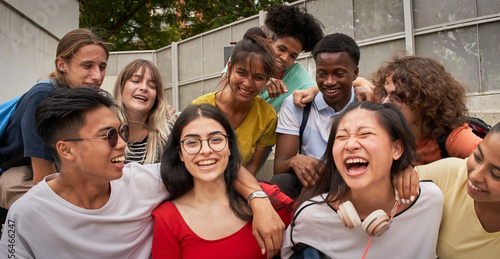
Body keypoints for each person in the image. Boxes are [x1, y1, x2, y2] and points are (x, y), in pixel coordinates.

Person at [0, 87, 286, 259]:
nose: (123, 144)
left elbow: (215, 162)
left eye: (121, 132)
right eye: (108, 136)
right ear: (67, 151)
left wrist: (258, 199)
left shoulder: (143, 182)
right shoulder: (24, 216)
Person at [282, 101, 444, 259]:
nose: (351, 144)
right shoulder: (313, 214)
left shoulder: (429, 200)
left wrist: (408, 170)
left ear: (396, 149)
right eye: (341, 137)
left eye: (365, 134)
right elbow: (282, 254)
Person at [152, 104, 294, 259]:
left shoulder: (259, 202)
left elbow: (314, 219)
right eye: (192, 142)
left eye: (215, 139)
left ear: (229, 147)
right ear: (179, 153)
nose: (205, 150)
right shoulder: (167, 217)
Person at [395, 123, 500, 259]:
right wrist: (402, 173)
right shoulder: (452, 174)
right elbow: (384, 183)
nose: (476, 175)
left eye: (496, 174)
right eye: (477, 157)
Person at [0, 28, 109, 210]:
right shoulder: (43, 97)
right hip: (16, 177)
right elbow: (41, 181)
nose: (97, 76)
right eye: (87, 66)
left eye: (102, 67)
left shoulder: (84, 99)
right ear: (62, 64)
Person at [271, 33, 360, 198]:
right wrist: (294, 161)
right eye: (322, 74)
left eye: (339, 74)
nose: (329, 81)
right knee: (280, 183)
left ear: (355, 74)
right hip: (313, 184)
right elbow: (279, 166)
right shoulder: (297, 105)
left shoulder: (367, 105)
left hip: (358, 180)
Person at [371, 55, 482, 165]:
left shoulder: (452, 138)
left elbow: (493, 160)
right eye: (385, 93)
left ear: (424, 101)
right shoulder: (387, 127)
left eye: (398, 97)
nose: (385, 103)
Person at [192, 35, 277, 175]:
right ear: (230, 68)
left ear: (267, 79)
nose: (247, 83)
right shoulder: (199, 107)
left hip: (237, 187)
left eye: (258, 78)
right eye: (241, 73)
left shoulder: (267, 117)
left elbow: (251, 169)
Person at [113, 59, 175, 164]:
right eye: (135, 81)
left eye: (152, 86)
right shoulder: (104, 130)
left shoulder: (169, 132)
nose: (144, 88)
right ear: (121, 86)